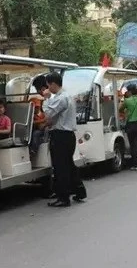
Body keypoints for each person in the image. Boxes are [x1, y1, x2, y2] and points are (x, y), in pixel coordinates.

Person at [43, 72, 86, 207]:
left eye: (48, 85)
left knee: (60, 167)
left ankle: (63, 198)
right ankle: (79, 191)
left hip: (61, 135)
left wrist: (46, 99)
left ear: (53, 84)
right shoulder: (67, 96)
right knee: (68, 165)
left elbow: (49, 113)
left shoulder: (61, 98)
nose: (48, 88)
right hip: (67, 136)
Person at [120, 84, 137, 170]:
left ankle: (135, 165)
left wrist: (127, 112)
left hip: (131, 124)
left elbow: (120, 109)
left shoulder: (127, 101)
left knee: (133, 145)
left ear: (130, 91)